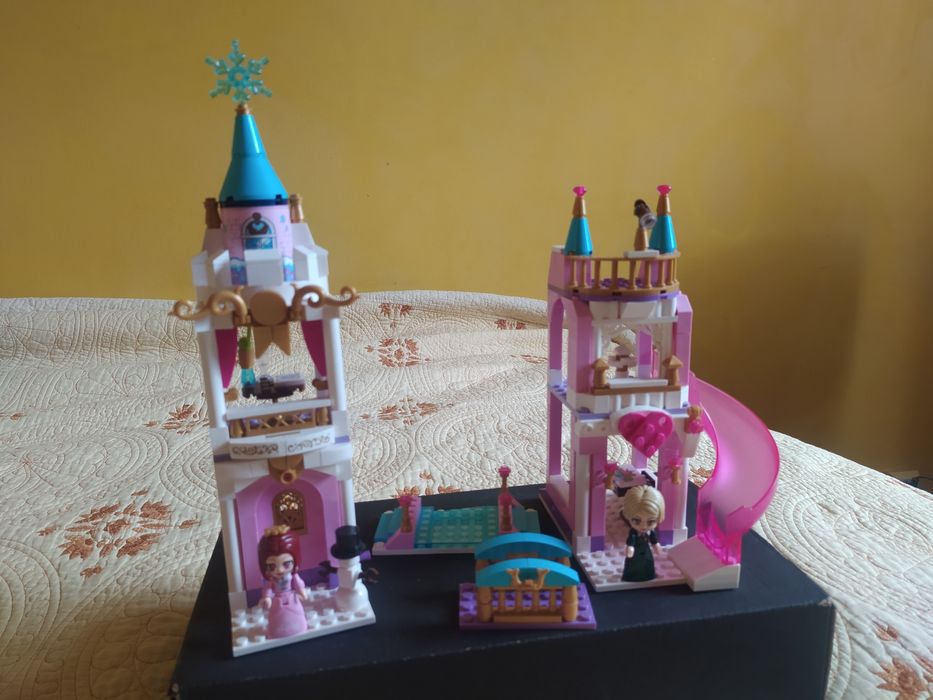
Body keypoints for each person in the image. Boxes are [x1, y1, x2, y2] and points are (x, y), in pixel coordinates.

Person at [258, 525, 309, 638]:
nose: (280, 570)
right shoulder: (272, 579)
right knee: (277, 617)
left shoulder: (293, 576)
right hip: (277, 600)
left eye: (286, 564)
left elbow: (298, 584)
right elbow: (268, 588)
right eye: (272, 566)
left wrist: (302, 592)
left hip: (292, 598)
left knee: (296, 614)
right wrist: (267, 598)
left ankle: (299, 627)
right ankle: (277, 631)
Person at [621, 486, 665, 582]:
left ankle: (649, 575)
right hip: (635, 552)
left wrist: (656, 545)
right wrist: (630, 548)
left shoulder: (650, 531)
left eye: (650, 522)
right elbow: (631, 541)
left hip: (646, 551)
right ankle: (631, 577)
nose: (644, 526)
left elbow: (653, 540)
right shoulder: (633, 533)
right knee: (633, 564)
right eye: (636, 521)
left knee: (648, 562)